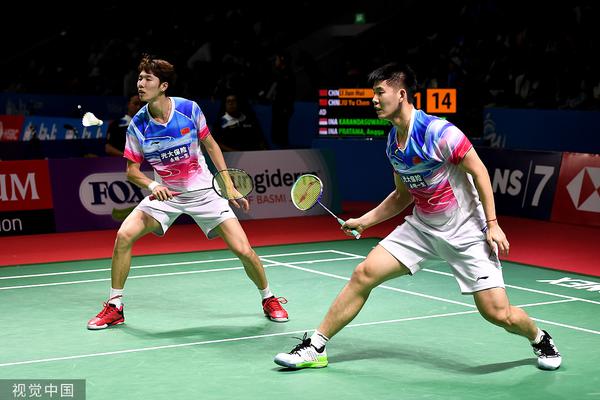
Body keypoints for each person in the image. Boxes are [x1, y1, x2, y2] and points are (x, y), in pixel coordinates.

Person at [273, 62, 561, 371]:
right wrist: (365, 221)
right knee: (364, 274)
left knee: (497, 313)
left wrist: (492, 224)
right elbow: (402, 195)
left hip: (465, 231)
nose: (374, 99)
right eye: (373, 93)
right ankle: (316, 346)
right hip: (422, 228)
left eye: (379, 92)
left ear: (401, 94)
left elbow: (479, 172)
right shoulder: (392, 143)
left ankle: (539, 337)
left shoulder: (439, 132)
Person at [87, 54, 288, 330]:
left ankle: (269, 298)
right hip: (166, 196)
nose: (140, 84)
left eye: (147, 79)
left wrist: (228, 184)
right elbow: (131, 171)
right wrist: (153, 185)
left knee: (244, 250)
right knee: (124, 235)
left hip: (204, 193)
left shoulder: (188, 109)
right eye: (139, 78)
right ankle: (115, 306)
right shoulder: (138, 125)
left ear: (163, 86)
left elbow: (211, 145)